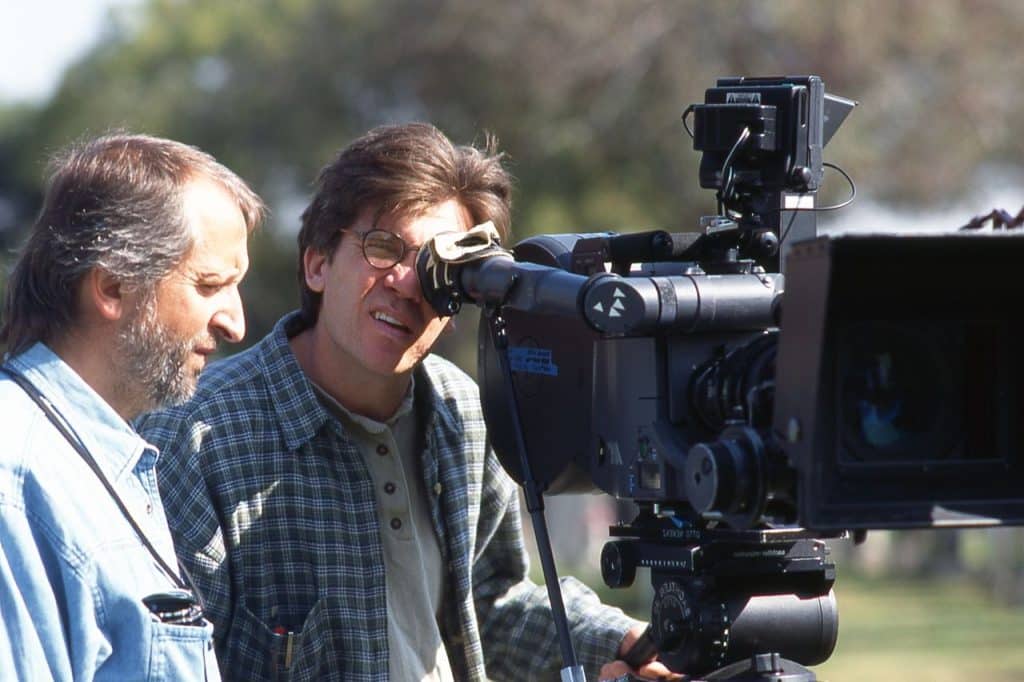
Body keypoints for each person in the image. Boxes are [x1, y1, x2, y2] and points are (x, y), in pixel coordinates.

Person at [138, 122, 678, 681]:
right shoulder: (198, 438)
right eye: (383, 248)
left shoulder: (463, 410)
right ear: (318, 262)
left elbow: (490, 605)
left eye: (440, 268)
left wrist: (623, 642)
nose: (407, 283)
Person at [0, 132, 264, 680]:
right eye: (211, 284)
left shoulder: (97, 454)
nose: (235, 324)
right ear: (114, 286)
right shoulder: (16, 478)